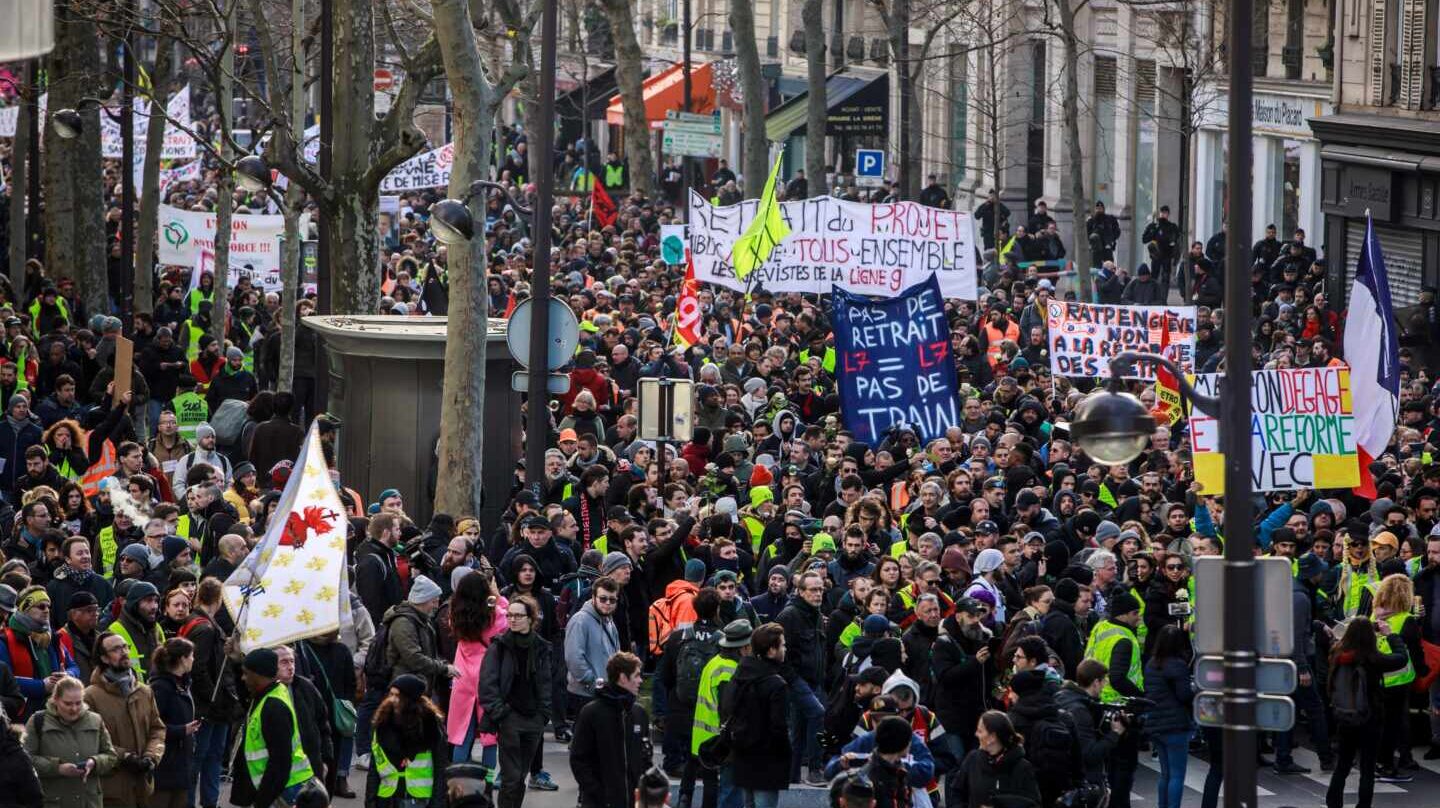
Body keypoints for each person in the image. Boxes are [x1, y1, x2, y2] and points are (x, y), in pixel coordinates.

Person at [1326, 617, 1411, 808]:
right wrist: (1390, 635)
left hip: (1344, 716)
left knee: (1342, 766)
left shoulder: (1337, 653)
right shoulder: (1372, 658)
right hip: (1370, 718)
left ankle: (1333, 803)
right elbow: (1401, 658)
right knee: (1367, 769)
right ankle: (1363, 806)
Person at [478, 594, 553, 808]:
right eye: (510, 615)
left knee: (521, 777)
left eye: (518, 615)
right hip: (509, 718)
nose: (512, 619)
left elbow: (547, 682)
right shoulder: (499, 646)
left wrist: (543, 714)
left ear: (530, 618)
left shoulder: (541, 647)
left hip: (534, 719)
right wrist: (501, 713)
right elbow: (487, 684)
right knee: (511, 778)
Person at [231, 648, 323, 808]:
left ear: (259, 675)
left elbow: (280, 763)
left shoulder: (273, 706)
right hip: (283, 788)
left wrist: (262, 802)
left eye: (246, 673)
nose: (243, 678)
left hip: (287, 790)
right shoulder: (267, 695)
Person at [84, 629, 167, 808]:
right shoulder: (90, 696)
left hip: (143, 788)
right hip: (112, 790)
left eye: (125, 647)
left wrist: (151, 757)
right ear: (104, 658)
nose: (124, 652)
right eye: (116, 649)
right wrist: (125, 757)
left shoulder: (144, 691)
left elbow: (157, 729)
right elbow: (89, 739)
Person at [721, 622, 790, 808]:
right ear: (771, 650)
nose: (785, 648)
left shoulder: (741, 674)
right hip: (767, 761)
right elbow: (778, 728)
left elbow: (727, 707)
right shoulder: (776, 684)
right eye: (782, 645)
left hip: (743, 756)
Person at [569, 651, 651, 808]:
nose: (641, 681)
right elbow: (579, 759)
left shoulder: (639, 714)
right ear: (622, 678)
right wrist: (597, 793)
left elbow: (646, 756)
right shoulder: (591, 713)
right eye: (636, 676)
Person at [25, 675, 116, 808]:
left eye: (78, 703)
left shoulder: (96, 720)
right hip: (53, 802)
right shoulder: (38, 721)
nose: (73, 709)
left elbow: (111, 756)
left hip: (89, 802)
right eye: (67, 703)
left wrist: (94, 762)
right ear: (55, 699)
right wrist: (58, 768)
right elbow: (26, 760)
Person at [1371, 573, 1426, 779]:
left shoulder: (1374, 617)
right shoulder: (1406, 620)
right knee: (1393, 726)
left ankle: (1376, 762)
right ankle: (1386, 766)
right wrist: (1423, 671)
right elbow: (1416, 651)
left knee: (1379, 724)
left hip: (1376, 678)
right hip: (1398, 680)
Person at [366, 673, 447, 808]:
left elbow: (440, 768)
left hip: (419, 799)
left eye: (397, 696)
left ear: (409, 699)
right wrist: (370, 801)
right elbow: (374, 768)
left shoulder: (430, 725)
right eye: (391, 694)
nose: (392, 699)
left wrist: (438, 803)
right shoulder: (382, 724)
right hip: (387, 798)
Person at [777, 570, 827, 785]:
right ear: (801, 591)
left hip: (813, 680)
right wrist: (793, 680)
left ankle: (792, 774)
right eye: (813, 590)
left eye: (821, 589)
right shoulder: (790, 616)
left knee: (798, 732)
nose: (818, 594)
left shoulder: (815, 614)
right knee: (817, 714)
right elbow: (780, 653)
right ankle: (814, 769)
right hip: (795, 680)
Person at [1142, 625, 1194, 808]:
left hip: (1156, 722)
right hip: (1175, 725)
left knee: (1165, 774)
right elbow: (1184, 695)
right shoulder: (1178, 665)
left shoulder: (1151, 663)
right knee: (1177, 774)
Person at [952, 711, 1042, 808]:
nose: (976, 734)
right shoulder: (972, 759)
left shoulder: (1022, 768)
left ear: (992, 737)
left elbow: (1033, 804)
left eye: (980, 731)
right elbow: (956, 792)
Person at [148, 638, 199, 808]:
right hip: (165, 765)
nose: (193, 660)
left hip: (181, 763)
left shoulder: (183, 684)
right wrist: (181, 730)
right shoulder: (160, 687)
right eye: (191, 656)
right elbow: (151, 727)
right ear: (182, 659)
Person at [565, 576, 622, 716]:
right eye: (603, 599)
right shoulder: (580, 620)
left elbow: (617, 656)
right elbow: (574, 659)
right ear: (593, 597)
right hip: (585, 695)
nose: (607, 603)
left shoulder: (610, 622)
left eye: (612, 600)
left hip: (606, 693)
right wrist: (593, 684)